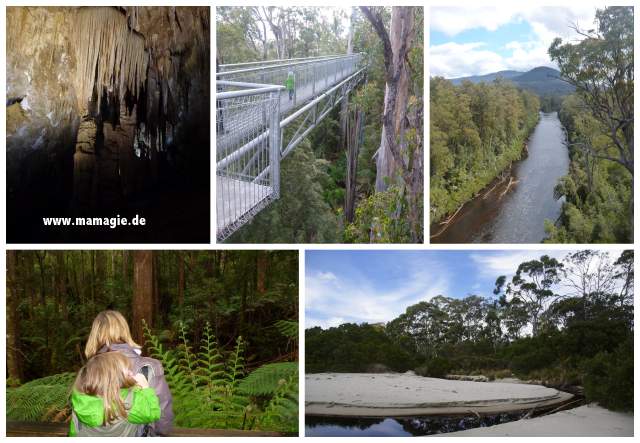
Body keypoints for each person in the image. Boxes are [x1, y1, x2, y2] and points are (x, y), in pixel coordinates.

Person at [85, 310, 174, 435]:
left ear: (95, 334)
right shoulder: (148, 367)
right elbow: (163, 417)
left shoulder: (88, 370)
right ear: (125, 330)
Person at [69, 351, 161, 437]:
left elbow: (75, 428)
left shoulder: (79, 399)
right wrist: (145, 388)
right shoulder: (129, 401)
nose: (131, 372)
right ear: (114, 379)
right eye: (128, 371)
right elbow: (153, 413)